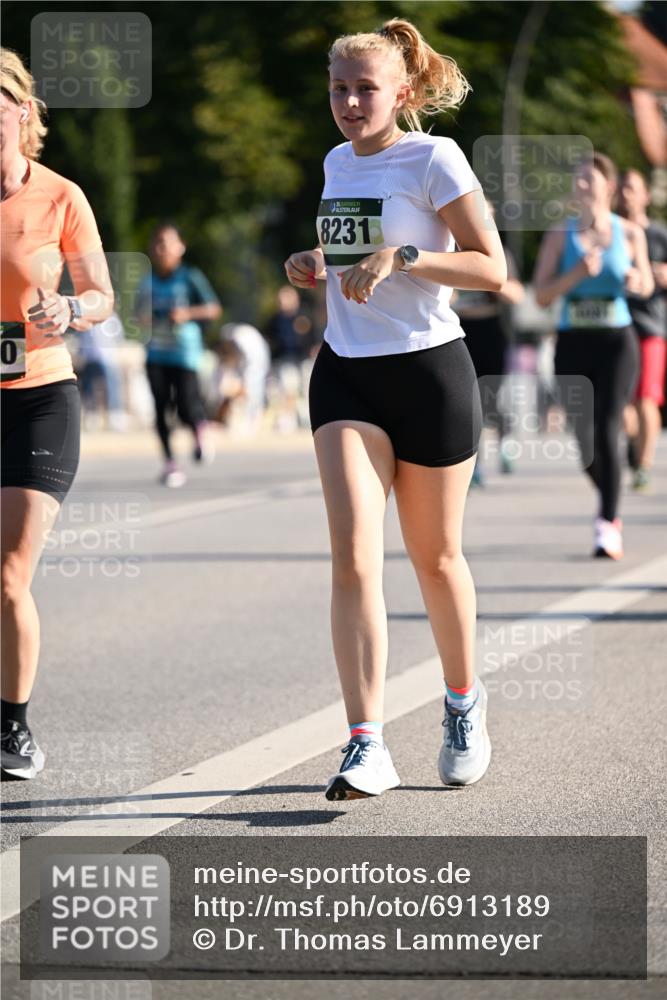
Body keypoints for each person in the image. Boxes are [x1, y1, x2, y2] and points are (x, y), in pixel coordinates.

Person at [284, 18, 506, 801]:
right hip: (345, 375)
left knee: (435, 559)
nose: (348, 101)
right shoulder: (335, 160)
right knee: (351, 555)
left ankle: (460, 702)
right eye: (338, 88)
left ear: (401, 92)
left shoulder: (434, 157)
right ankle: (364, 742)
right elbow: (349, 252)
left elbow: (492, 268)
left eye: (364, 88)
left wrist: (405, 256)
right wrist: (318, 261)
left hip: (428, 375)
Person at [1, 48, 114, 778]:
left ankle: (12, 725)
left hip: (40, 396)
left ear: (21, 113)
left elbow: (102, 296)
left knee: (9, 574)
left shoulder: (60, 196)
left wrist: (67, 307)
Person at [533, 153, 653, 559]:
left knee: (607, 426)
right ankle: (611, 493)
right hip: (572, 342)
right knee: (584, 442)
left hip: (618, 342)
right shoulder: (558, 234)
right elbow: (541, 294)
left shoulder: (629, 232)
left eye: (590, 178)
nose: (582, 183)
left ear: (609, 186)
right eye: (578, 178)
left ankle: (607, 524)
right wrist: (576, 275)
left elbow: (646, 284)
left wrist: (637, 280)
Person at [137, 222, 222, 487]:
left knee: (186, 405)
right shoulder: (146, 281)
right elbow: (135, 315)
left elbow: (213, 308)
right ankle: (170, 464)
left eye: (167, 243)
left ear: (180, 247)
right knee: (161, 409)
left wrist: (187, 314)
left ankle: (199, 431)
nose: (162, 249)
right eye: (157, 244)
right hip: (156, 353)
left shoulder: (189, 277)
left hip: (185, 354)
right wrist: (144, 318)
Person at [452, 203, 525, 484]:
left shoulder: (500, 253)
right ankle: (474, 465)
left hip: (492, 332)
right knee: (468, 403)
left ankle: (505, 441)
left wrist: (491, 277)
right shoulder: (448, 249)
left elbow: (518, 294)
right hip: (460, 332)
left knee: (490, 399)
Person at [617, 169, 667, 494]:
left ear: (645, 195)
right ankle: (634, 445)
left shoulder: (660, 235)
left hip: (650, 326)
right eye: (622, 189)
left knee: (647, 399)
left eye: (632, 189)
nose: (626, 195)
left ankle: (644, 466)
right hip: (616, 324)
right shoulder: (611, 232)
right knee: (621, 401)